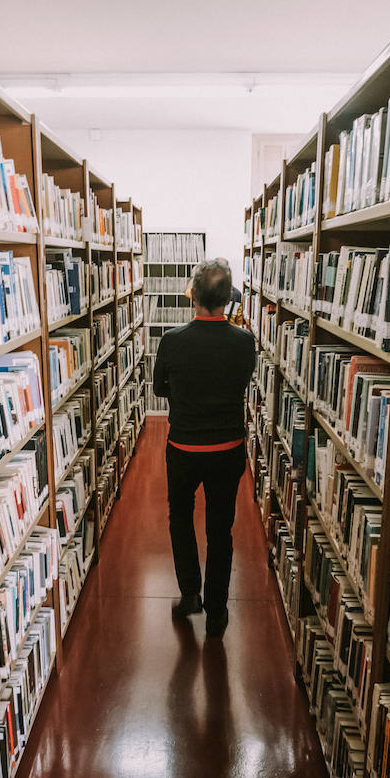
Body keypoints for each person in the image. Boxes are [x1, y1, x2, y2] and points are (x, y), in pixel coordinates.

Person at [152, 259, 256, 637]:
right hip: (228, 450)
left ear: (192, 295)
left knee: (180, 518)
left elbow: (159, 388)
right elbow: (242, 382)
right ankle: (216, 610)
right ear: (229, 297)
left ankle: (190, 594)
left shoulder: (172, 340)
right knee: (220, 529)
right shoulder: (245, 342)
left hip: (183, 448)